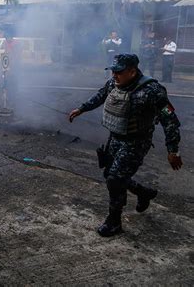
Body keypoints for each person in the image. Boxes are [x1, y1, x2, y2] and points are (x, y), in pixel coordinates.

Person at [68, 54, 182, 237]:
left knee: (115, 178)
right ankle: (143, 192)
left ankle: (114, 222)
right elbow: (100, 95)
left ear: (132, 71)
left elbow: (170, 120)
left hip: (137, 142)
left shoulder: (152, 90)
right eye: (113, 70)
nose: (114, 75)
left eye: (119, 71)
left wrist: (173, 150)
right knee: (111, 174)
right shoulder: (114, 83)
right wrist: (81, 109)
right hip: (115, 137)